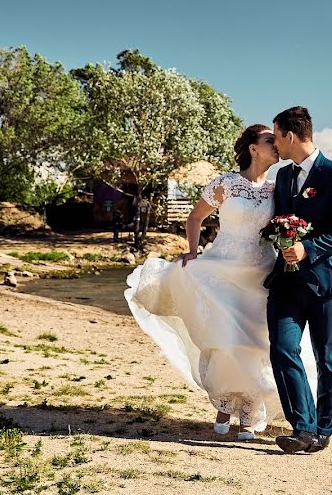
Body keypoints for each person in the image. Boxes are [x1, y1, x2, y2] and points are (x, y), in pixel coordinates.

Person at [124, 125, 317, 440]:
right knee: (226, 341)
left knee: (257, 344)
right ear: (254, 148)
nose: (277, 145)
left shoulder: (276, 188)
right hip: (222, 271)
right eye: (270, 140)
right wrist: (191, 251)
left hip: (261, 273)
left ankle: (248, 413)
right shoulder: (225, 184)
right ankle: (225, 403)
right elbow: (194, 218)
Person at [265, 106, 332, 454]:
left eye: (276, 136)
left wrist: (309, 248)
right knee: (282, 349)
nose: (275, 144)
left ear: (290, 136)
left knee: (327, 358)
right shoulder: (281, 177)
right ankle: (302, 428)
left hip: (327, 283)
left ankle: (323, 430)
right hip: (285, 283)